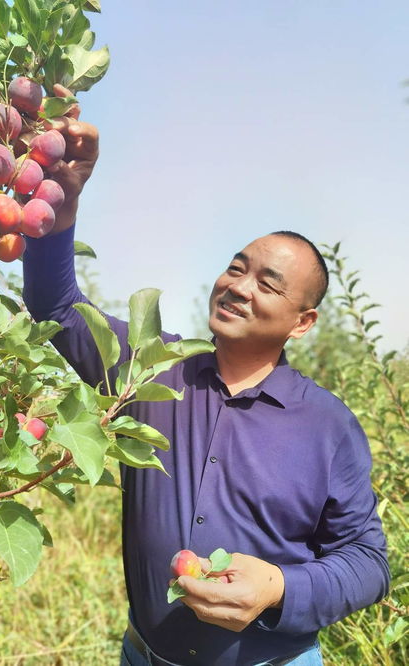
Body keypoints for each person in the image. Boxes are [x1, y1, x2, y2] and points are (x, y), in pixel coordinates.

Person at [22, 87, 390, 666]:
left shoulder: (328, 424)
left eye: (268, 284)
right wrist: (61, 205)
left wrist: (278, 588)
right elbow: (56, 309)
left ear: (303, 322)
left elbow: (367, 562)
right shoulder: (151, 365)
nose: (240, 286)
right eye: (236, 268)